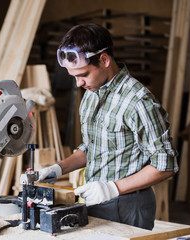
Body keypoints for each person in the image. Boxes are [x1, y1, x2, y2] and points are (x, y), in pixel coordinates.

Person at [38, 23, 179, 230]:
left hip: (127, 205)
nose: (78, 84)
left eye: (83, 74)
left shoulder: (137, 102)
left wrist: (112, 188)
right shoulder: (91, 94)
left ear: (104, 60)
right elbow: (92, 147)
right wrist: (57, 169)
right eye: (74, 76)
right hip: (95, 200)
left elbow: (165, 165)